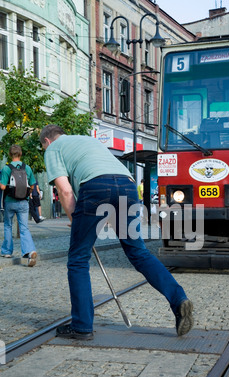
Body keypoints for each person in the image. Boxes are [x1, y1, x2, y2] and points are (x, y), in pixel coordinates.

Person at [39, 124, 194, 340]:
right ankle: (179, 299)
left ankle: (82, 325)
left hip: (95, 186)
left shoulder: (53, 149)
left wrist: (76, 219)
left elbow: (64, 190)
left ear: (46, 140)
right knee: (138, 252)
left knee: (78, 259)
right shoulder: (88, 140)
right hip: (127, 185)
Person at [0, 145, 37, 266]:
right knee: (24, 227)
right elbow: (32, 185)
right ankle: (29, 251)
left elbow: (3, 187)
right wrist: (26, 194)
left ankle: (7, 251)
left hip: (10, 202)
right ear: (21, 154)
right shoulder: (27, 168)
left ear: (10, 155)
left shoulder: (6, 168)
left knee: (8, 225)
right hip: (23, 202)